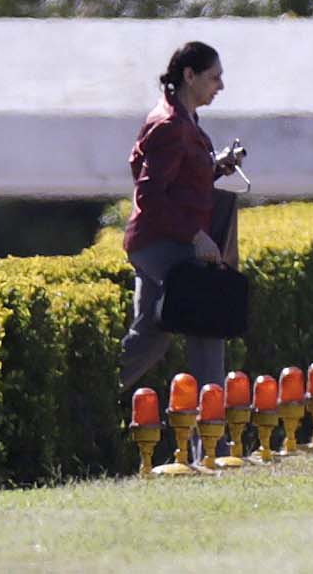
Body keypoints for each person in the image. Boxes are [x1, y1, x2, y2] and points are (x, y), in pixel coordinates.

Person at [118, 41, 244, 394]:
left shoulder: (182, 118)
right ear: (189, 76)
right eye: (214, 77)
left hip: (160, 241)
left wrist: (215, 167)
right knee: (208, 323)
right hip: (164, 244)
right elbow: (149, 194)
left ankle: (87, 400)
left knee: (150, 339)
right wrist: (195, 235)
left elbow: (177, 183)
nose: (220, 86)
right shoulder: (170, 124)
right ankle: (211, 442)